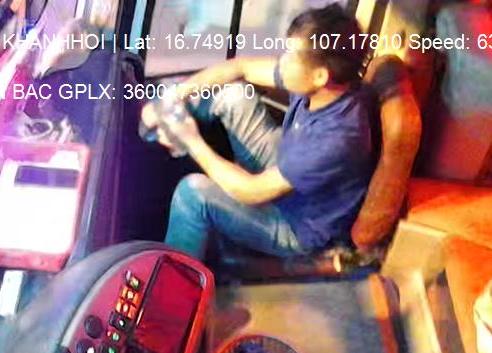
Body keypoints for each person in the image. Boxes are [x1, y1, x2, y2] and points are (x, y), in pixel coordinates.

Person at [142, 4, 374, 261]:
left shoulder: (336, 139)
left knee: (192, 195)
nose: (282, 62)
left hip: (297, 225)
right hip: (289, 167)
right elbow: (241, 67)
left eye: (291, 57)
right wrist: (174, 97)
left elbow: (251, 191)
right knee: (233, 94)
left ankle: (173, 280)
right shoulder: (322, 86)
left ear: (320, 76)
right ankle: (168, 124)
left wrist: (191, 141)